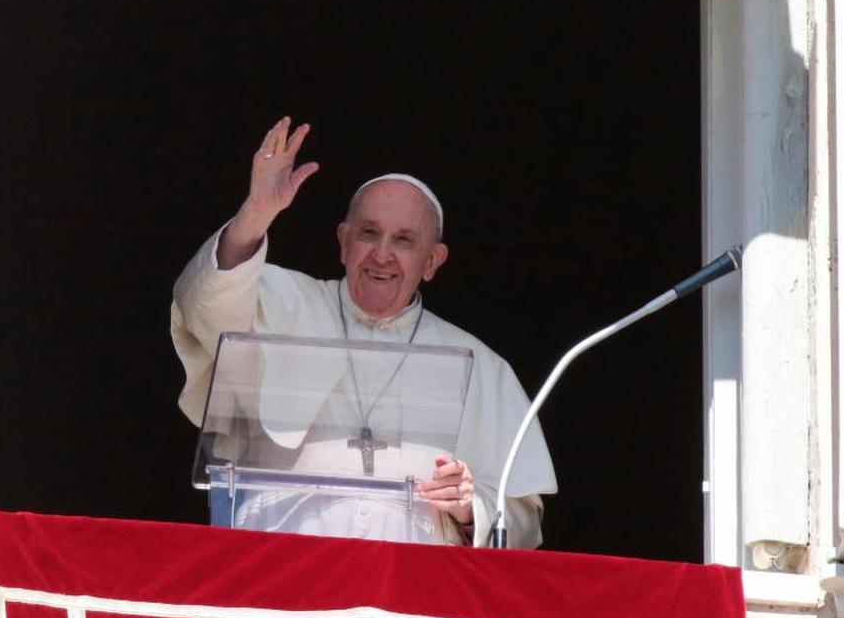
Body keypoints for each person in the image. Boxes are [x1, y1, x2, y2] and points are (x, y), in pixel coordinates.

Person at [171, 117, 556, 547]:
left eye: (404, 240)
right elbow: (203, 305)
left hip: (411, 581)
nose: (382, 254)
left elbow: (522, 522)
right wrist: (257, 214)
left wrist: (471, 508)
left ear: (433, 261)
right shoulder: (283, 301)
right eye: (369, 233)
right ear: (343, 241)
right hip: (283, 558)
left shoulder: (481, 365)